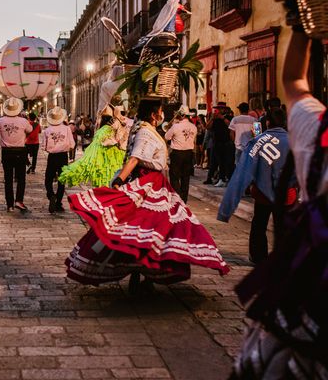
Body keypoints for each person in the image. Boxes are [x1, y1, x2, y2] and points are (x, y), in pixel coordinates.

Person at [230, 25, 327, 376]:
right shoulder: (268, 128)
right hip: (284, 192)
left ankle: (261, 255)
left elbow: (294, 82)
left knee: (263, 223)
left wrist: (301, 28)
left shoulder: (313, 135)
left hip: (310, 307)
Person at [65, 98, 229, 294]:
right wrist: (119, 181)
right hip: (148, 184)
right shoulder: (144, 131)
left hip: (155, 183)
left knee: (149, 231)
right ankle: (141, 275)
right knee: (145, 230)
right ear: (153, 115)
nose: (162, 115)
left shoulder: (145, 129)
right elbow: (135, 157)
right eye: (160, 111)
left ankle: (145, 275)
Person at [218, 108, 295, 264]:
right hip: (287, 194)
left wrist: (226, 209)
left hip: (263, 193)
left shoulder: (257, 142)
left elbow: (241, 175)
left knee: (259, 224)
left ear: (267, 122)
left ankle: (259, 257)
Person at [58, 104, 128, 188]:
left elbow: (94, 152)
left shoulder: (105, 130)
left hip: (103, 167)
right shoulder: (115, 130)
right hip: (113, 167)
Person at [0, 97, 32, 211]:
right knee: (21, 178)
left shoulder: (0, 121)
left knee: (8, 179)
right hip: (20, 151)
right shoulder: (23, 121)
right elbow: (30, 130)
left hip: (6, 152)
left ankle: (9, 205)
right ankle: (19, 201)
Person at [42, 107, 75, 213]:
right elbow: (72, 144)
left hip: (52, 157)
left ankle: (51, 195)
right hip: (63, 157)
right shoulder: (66, 129)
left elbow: (44, 147)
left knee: (48, 179)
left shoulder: (47, 130)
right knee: (61, 180)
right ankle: (58, 203)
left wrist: (52, 148)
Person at [164, 106, 197, 203]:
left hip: (177, 153)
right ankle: (184, 199)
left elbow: (167, 137)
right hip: (189, 153)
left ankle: (177, 198)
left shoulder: (175, 126)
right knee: (185, 177)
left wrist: (172, 125)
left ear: (181, 115)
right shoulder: (193, 127)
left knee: (174, 176)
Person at [204, 106, 232, 187]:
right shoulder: (215, 119)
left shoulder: (229, 117)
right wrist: (212, 118)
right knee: (216, 161)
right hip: (216, 142)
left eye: (219, 109)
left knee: (226, 162)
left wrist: (222, 118)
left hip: (226, 142)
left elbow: (230, 125)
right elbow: (207, 127)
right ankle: (218, 178)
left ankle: (224, 178)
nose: (217, 111)